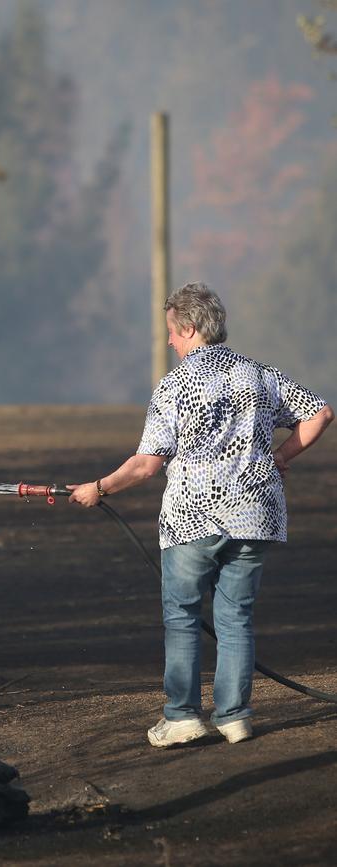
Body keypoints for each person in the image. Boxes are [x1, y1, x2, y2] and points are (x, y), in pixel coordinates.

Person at [67, 282, 334, 748]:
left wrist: (99, 487)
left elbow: (147, 464)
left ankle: (183, 715)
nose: (170, 341)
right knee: (236, 618)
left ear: (189, 328)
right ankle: (234, 717)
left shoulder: (175, 385)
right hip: (256, 513)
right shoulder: (259, 374)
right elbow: (320, 413)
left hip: (193, 518)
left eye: (172, 332)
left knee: (184, 616)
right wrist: (277, 456)